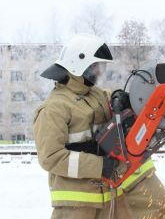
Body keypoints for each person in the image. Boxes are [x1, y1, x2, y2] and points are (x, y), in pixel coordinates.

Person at [33, 34, 132, 219]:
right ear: (78, 64)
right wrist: (99, 166)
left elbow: (108, 96)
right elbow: (50, 157)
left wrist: (119, 96)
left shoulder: (94, 95)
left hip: (108, 196)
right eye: (95, 66)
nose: (99, 72)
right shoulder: (54, 108)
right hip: (76, 206)